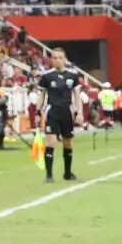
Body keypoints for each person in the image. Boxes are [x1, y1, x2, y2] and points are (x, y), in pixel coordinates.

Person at [38, 49, 81, 182]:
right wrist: (38, 112)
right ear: (51, 59)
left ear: (64, 59)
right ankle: (49, 175)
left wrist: (79, 113)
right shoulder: (46, 76)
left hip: (67, 111)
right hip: (52, 111)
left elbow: (77, 95)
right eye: (55, 57)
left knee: (68, 143)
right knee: (51, 142)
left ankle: (67, 173)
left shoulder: (73, 75)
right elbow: (42, 94)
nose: (57, 60)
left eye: (60, 58)